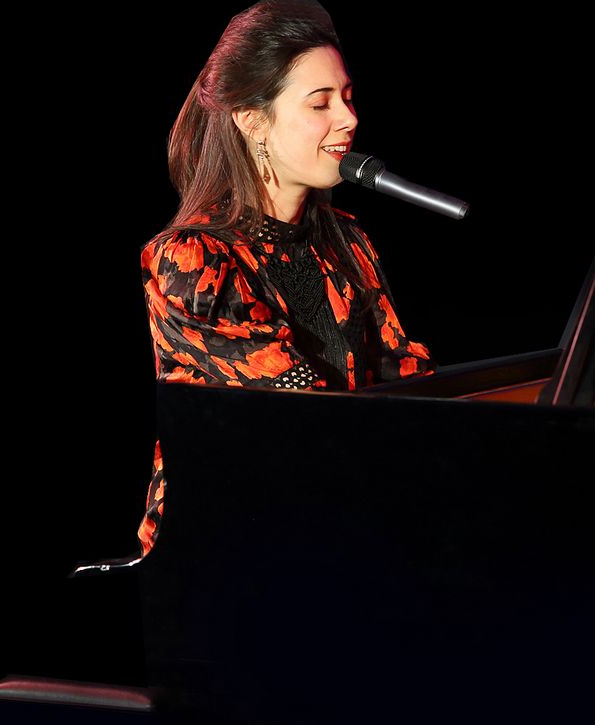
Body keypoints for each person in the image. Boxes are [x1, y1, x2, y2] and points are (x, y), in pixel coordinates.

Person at [136, 0, 436, 558]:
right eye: (320, 103)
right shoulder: (192, 259)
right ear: (252, 120)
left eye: (347, 97)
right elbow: (295, 408)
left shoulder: (347, 239)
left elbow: (404, 377)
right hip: (228, 547)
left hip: (340, 519)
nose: (348, 118)